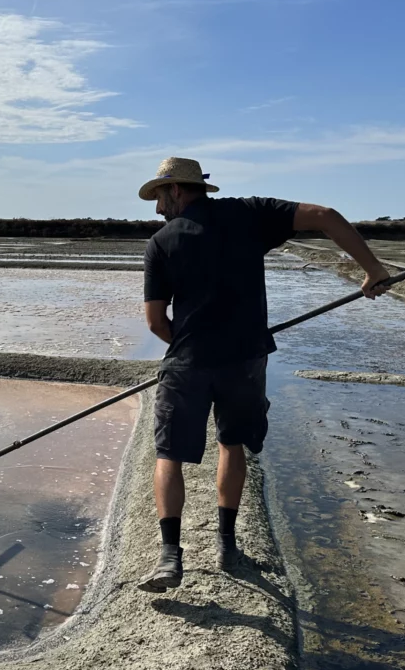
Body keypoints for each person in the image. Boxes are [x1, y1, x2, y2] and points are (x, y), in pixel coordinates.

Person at [135, 156, 391, 592]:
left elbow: (157, 323)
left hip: (188, 363)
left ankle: (169, 558)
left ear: (176, 190)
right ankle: (227, 546)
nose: (158, 209)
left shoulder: (161, 243)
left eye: (159, 197)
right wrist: (374, 270)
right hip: (246, 360)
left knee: (169, 455)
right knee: (231, 445)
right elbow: (325, 216)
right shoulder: (249, 214)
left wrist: (196, 344)